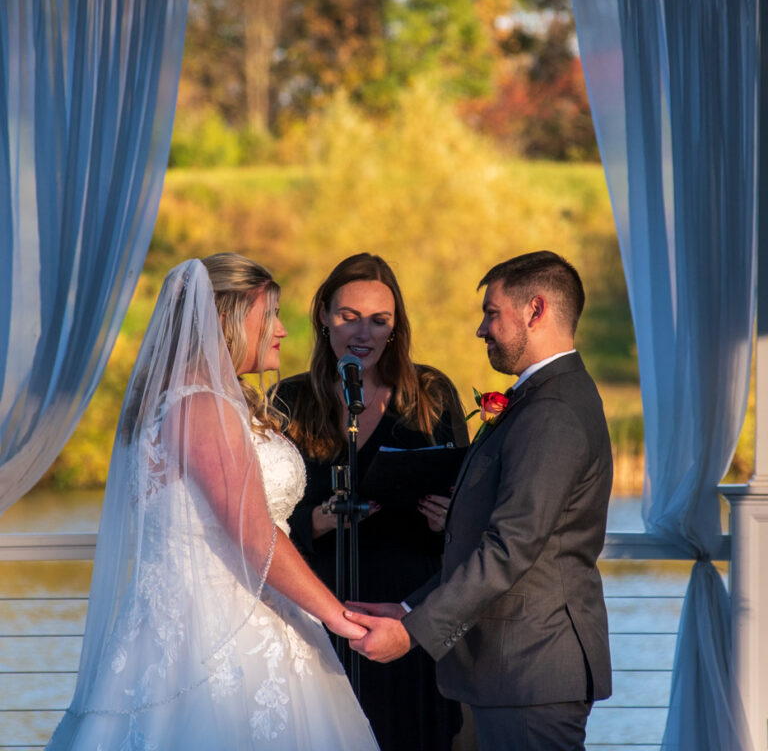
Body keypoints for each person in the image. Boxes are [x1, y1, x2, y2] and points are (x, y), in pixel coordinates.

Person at [46, 254, 379, 751]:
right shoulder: (201, 405)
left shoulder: (181, 400)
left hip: (205, 624)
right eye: (268, 317)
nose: (283, 331)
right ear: (225, 321)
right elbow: (253, 533)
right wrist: (338, 617)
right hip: (221, 641)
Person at [346, 250, 613, 751]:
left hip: (531, 670)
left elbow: (511, 546)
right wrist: (407, 607)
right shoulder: (540, 398)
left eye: (491, 312)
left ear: (535, 311)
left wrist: (412, 633)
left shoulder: (553, 411)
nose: (481, 329)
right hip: (514, 673)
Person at [272, 252, 468, 751]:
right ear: (323, 317)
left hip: (406, 614)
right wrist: (312, 523)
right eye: (348, 317)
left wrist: (452, 517)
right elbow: (259, 515)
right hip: (321, 606)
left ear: (396, 327)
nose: (364, 333)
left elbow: (470, 498)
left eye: (380, 321)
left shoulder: (432, 394)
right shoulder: (288, 401)